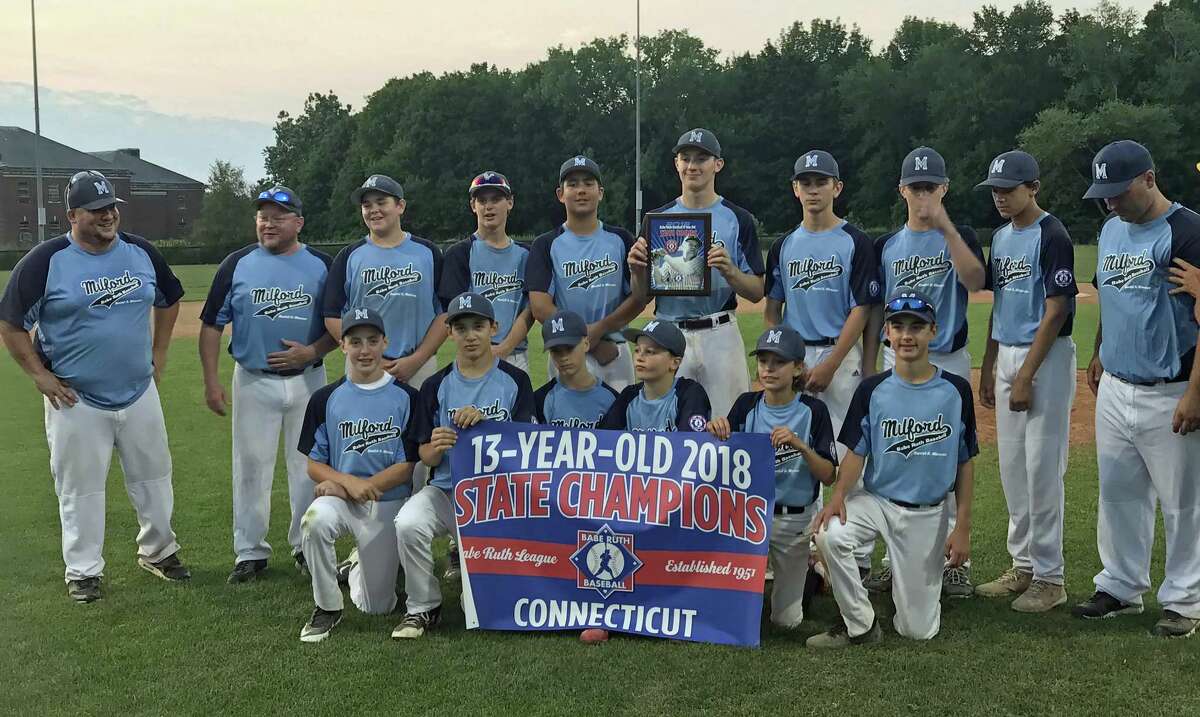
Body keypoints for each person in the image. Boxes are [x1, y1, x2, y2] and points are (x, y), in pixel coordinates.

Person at [0, 170, 189, 602]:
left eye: (111, 208)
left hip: (139, 391)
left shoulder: (141, 252)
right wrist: (38, 374)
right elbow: (10, 323)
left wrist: (159, 354)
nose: (108, 216)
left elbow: (170, 298)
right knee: (80, 488)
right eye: (96, 209)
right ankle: (83, 571)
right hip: (75, 398)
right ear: (72, 215)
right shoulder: (45, 261)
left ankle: (159, 552)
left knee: (155, 479)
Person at [1074, 140, 1200, 638]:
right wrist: (1101, 348)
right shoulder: (1109, 229)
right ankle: (1121, 587)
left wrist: (1195, 392)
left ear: (1149, 178)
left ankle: (1186, 600)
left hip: (1172, 388)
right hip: (1117, 385)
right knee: (1119, 494)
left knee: (1184, 501)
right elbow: (1111, 294)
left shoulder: (1187, 231)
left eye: (1118, 191)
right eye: (1103, 193)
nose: (1110, 202)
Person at [807, 290, 978, 648]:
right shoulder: (872, 388)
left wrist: (961, 526)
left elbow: (964, 461)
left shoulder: (956, 390)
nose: (906, 335)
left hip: (927, 513)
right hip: (878, 501)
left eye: (916, 326)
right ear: (886, 332)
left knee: (917, 629)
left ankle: (910, 585)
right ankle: (861, 624)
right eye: (898, 326)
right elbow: (856, 451)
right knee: (830, 533)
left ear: (933, 331)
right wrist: (838, 496)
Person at [861, 146, 986, 597]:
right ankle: (893, 558)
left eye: (930, 186)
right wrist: (872, 362)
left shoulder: (961, 234)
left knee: (946, 455)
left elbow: (975, 281)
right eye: (915, 187)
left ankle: (954, 560)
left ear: (944, 188)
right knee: (894, 455)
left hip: (948, 359)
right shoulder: (888, 245)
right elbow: (876, 310)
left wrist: (945, 225)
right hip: (897, 360)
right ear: (902, 190)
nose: (923, 195)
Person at [200, 185, 337, 583]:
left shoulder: (322, 264)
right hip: (254, 380)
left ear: (299, 222)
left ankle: (305, 545)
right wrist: (211, 381)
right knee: (251, 467)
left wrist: (311, 352)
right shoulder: (237, 263)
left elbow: (338, 326)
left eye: (279, 215)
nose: (268, 222)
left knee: (308, 467)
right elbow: (212, 325)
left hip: (309, 379)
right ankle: (250, 551)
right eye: (263, 215)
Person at [392, 293, 535, 639]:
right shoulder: (435, 385)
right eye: (461, 328)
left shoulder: (516, 381)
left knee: (485, 607)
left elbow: (529, 450)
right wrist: (436, 446)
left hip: (500, 498)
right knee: (408, 522)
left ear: (494, 328)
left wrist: (488, 427)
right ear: (450, 332)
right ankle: (424, 607)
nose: (470, 335)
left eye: (478, 327)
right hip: (447, 488)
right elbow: (423, 455)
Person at [973, 150, 1077, 613]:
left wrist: (1026, 374)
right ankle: (1023, 566)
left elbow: (1056, 310)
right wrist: (991, 363)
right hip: (1009, 351)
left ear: (1033, 187)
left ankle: (1051, 577)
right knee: (1013, 467)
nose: (1000, 197)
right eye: (995, 189)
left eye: (1009, 189)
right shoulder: (1000, 236)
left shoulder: (1052, 234)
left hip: (1046, 357)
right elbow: (1000, 305)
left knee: (1042, 468)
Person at [296, 307, 420, 643]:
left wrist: (348, 485)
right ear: (343, 346)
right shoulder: (325, 398)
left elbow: (407, 466)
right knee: (314, 520)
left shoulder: (407, 397)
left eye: (372, 341)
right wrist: (347, 484)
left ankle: (353, 568)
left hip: (387, 502)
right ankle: (327, 607)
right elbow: (313, 464)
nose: (364, 350)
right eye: (355, 341)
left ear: (385, 343)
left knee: (377, 606)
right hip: (343, 501)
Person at [627, 128, 765, 417]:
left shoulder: (737, 218)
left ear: (718, 164)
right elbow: (640, 298)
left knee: (729, 422)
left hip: (720, 332)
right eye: (685, 158)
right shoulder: (657, 220)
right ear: (676, 164)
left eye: (702, 158)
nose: (692, 166)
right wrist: (637, 270)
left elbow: (756, 291)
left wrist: (730, 272)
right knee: (668, 423)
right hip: (669, 333)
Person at [707, 326, 837, 629]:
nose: (768, 368)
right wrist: (715, 433)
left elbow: (829, 476)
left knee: (785, 622)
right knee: (728, 610)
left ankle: (810, 575)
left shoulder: (812, 410)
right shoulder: (746, 404)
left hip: (793, 520)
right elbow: (724, 460)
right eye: (764, 361)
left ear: (797, 368)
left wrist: (801, 446)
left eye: (778, 362)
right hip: (747, 517)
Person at [765, 150, 880, 439]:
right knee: (794, 453)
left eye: (821, 181)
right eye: (805, 183)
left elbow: (862, 309)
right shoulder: (783, 246)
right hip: (796, 355)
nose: (813, 189)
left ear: (837, 187)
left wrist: (831, 364)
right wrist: (781, 357)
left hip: (840, 355)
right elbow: (772, 310)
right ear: (796, 189)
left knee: (847, 450)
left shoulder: (856, 241)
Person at [526, 155, 647, 391]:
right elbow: (540, 306)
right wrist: (584, 341)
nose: (581, 190)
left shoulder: (621, 239)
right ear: (560, 194)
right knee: (565, 423)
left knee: (618, 425)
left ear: (600, 192)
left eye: (588, 183)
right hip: (565, 351)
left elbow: (639, 297)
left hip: (614, 351)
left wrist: (599, 330)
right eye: (572, 184)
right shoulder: (545, 244)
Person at [323, 174, 446, 388]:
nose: (373, 210)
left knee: (421, 422)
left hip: (419, 364)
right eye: (367, 204)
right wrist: (368, 356)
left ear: (400, 206)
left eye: (381, 202)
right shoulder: (349, 256)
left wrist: (416, 360)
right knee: (364, 422)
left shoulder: (428, 252)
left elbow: (445, 311)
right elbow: (332, 315)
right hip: (363, 364)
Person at [440, 171, 533, 371]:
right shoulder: (460, 253)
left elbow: (530, 309)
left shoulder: (526, 254)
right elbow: (456, 311)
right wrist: (482, 351)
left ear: (510, 203)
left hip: (515, 354)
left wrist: (505, 348)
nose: (488, 206)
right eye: (482, 200)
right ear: (473, 206)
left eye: (497, 199)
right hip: (472, 355)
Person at [597, 320, 712, 433]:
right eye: (637, 350)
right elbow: (605, 440)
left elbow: (689, 443)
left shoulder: (690, 394)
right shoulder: (629, 396)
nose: (639, 357)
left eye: (650, 352)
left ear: (674, 363)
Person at [534, 309, 619, 428]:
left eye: (569, 348)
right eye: (556, 351)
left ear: (586, 344)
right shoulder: (541, 400)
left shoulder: (612, 399)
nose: (563, 357)